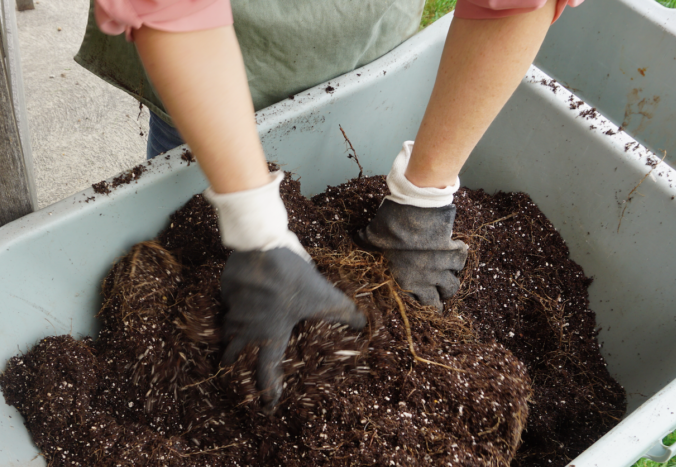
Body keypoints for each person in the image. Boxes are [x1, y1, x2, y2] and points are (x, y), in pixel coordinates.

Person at [78, 0, 581, 410]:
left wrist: (423, 197)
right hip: (214, 56)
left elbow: (517, 4)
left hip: (366, 42)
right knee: (185, 182)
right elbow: (171, 10)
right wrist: (256, 231)